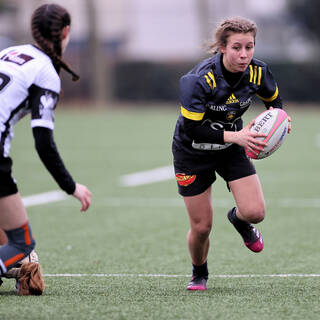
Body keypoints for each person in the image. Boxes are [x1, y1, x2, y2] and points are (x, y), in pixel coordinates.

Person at [172, 17, 291, 291]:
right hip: (192, 152)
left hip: (232, 147)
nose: (244, 54)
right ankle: (199, 272)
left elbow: (275, 104)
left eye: (249, 47)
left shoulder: (258, 72)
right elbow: (192, 129)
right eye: (237, 47)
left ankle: (238, 219)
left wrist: (280, 121)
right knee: (201, 227)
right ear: (222, 47)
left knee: (255, 212)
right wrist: (235, 136)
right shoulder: (198, 80)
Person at [0, 3, 91, 295]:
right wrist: (70, 186)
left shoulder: (7, 53)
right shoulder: (45, 71)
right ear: (65, 32)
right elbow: (43, 141)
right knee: (21, 243)